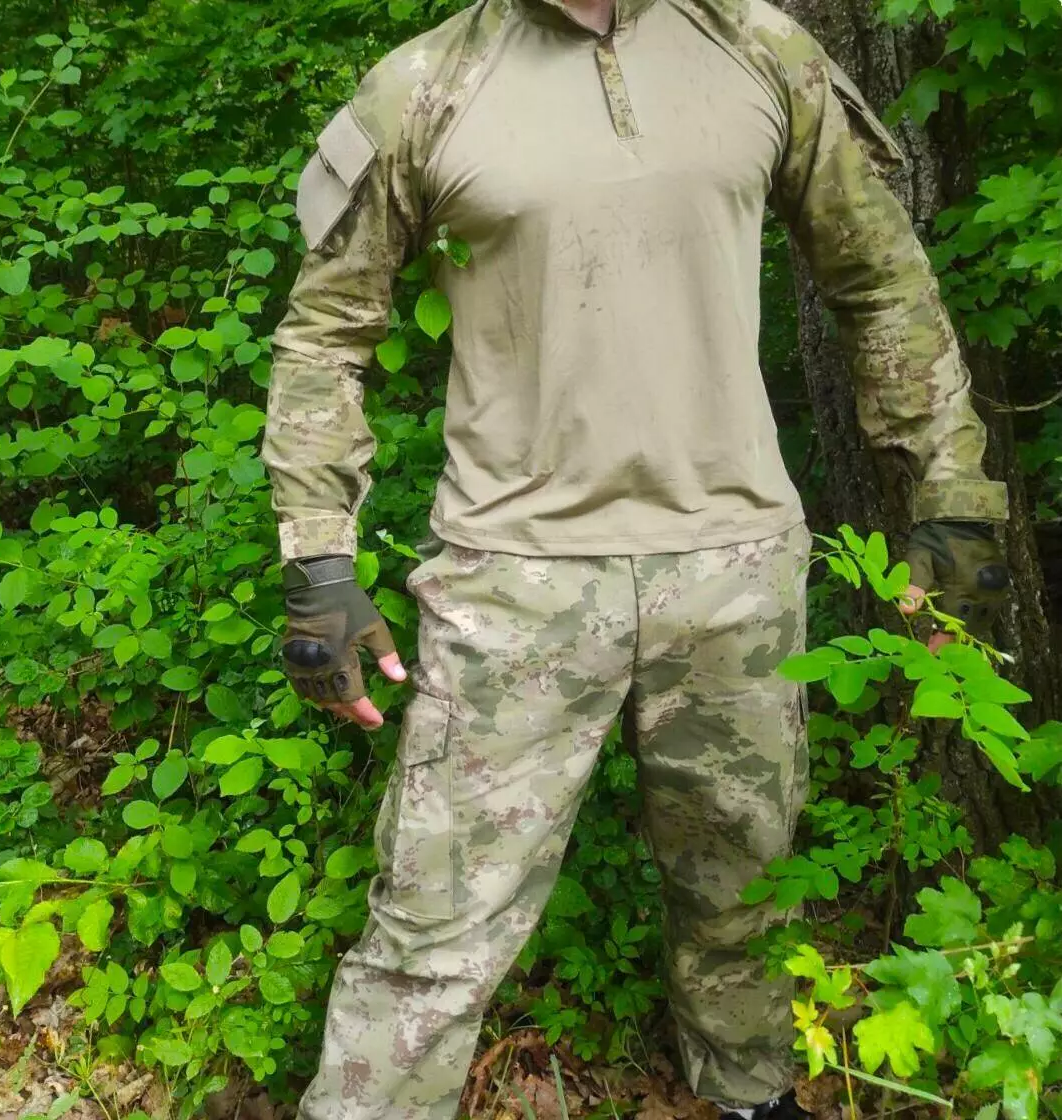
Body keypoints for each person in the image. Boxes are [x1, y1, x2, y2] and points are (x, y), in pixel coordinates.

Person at [261, 0, 1011, 1116]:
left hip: (733, 566)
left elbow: (880, 278)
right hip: (512, 579)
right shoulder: (426, 83)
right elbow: (327, 331)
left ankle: (750, 1091)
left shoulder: (757, 48)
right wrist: (318, 561)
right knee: (435, 920)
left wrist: (951, 485)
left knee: (743, 889)